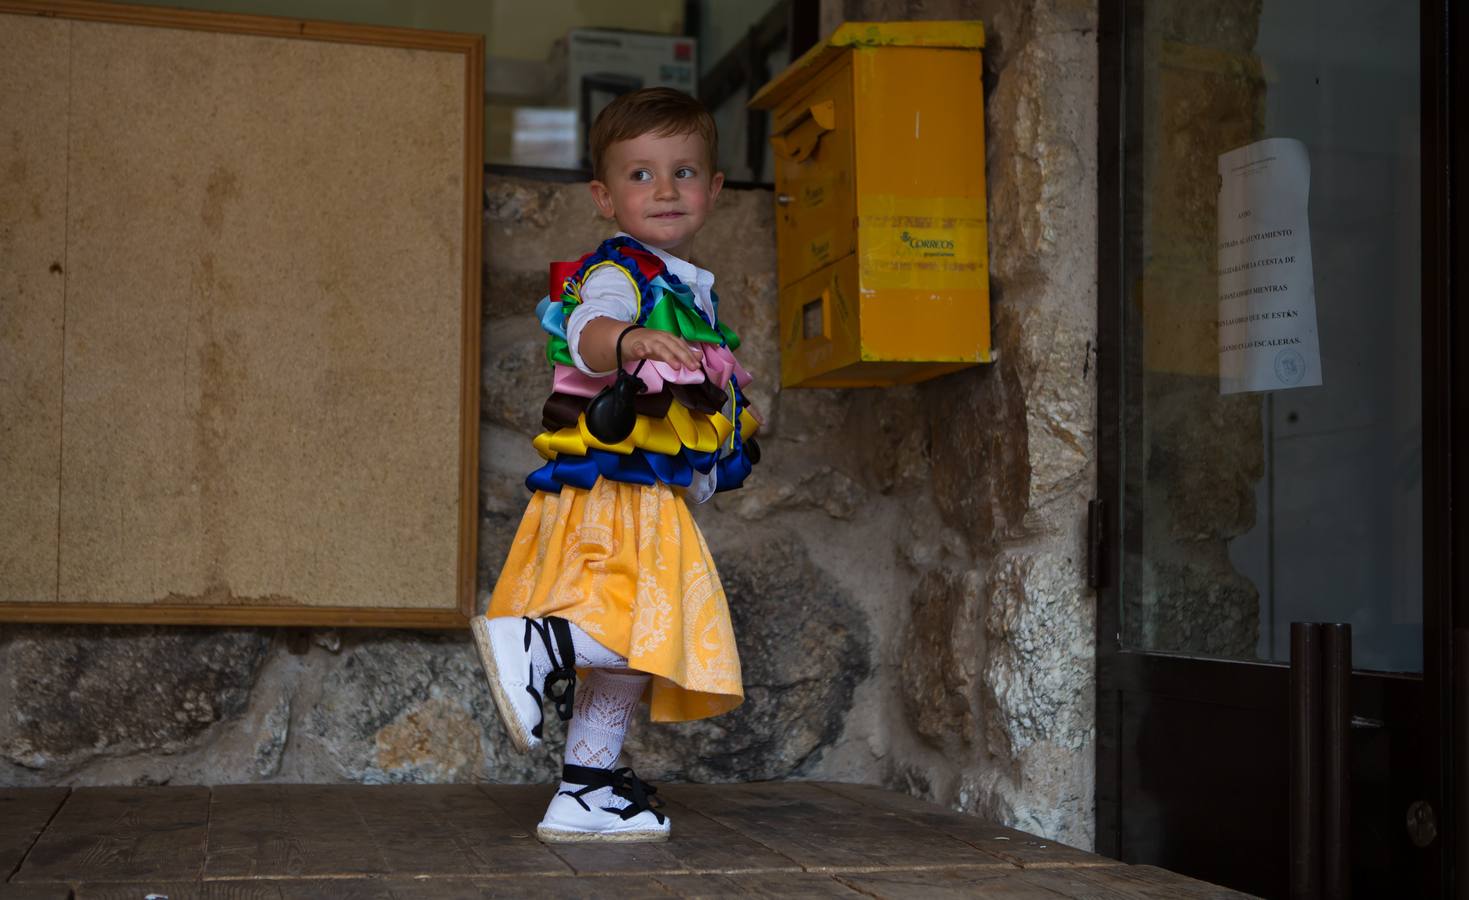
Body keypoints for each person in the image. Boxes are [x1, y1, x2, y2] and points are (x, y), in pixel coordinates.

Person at [471, 87, 761, 844]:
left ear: (715, 188)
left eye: (683, 172)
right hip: (613, 488)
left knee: (630, 655)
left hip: (649, 487)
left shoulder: (689, 289)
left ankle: (586, 788)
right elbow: (587, 329)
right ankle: (541, 643)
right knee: (650, 626)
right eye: (639, 175)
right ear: (602, 196)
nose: (663, 190)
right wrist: (627, 340)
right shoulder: (618, 272)